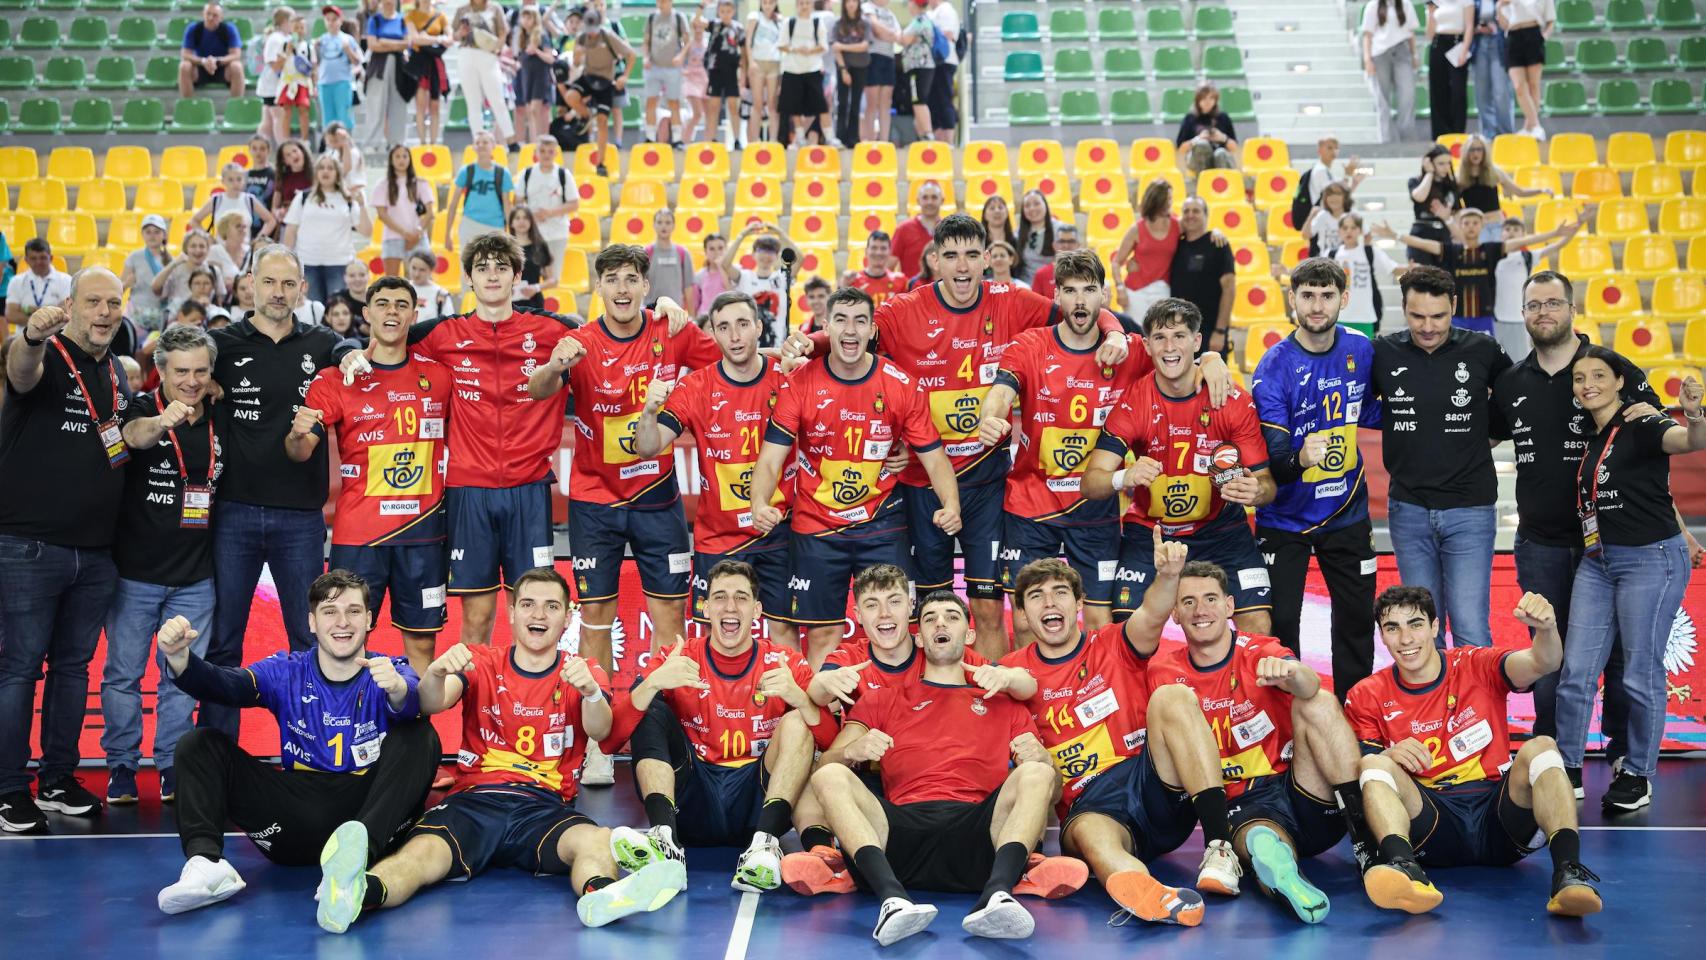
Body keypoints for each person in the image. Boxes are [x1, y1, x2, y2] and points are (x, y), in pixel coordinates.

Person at [781, 216, 1135, 660]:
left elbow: (1079, 306)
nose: (962, 266)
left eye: (972, 254)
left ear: (987, 259)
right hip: (920, 483)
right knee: (929, 610)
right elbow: (851, 332)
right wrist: (808, 346)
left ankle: (989, 705)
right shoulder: (905, 309)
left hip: (986, 486)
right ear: (934, 261)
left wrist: (1117, 330)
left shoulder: (1012, 300)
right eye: (951, 255)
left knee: (988, 608)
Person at [321, 568, 686, 932]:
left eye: (551, 606)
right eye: (527, 604)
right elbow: (433, 702)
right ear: (511, 613)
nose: (538, 615)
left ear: (567, 617)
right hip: (474, 801)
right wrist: (433, 674)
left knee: (597, 841)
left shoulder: (583, 669)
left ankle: (603, 895)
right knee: (418, 856)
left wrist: (590, 692)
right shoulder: (482, 660)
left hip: (542, 806)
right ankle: (356, 893)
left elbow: (601, 731)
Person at [337, 233, 575, 659]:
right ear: (468, 278)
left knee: (536, 617)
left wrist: (660, 311)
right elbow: (388, 336)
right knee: (478, 620)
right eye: (482, 268)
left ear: (518, 276)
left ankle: (531, 711)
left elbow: (616, 332)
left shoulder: (551, 329)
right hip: (469, 494)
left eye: (502, 267)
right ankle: (475, 723)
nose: (492, 276)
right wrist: (345, 350)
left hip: (530, 491)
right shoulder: (443, 334)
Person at [152, 571, 441, 916]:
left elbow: (410, 700)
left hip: (366, 814)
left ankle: (352, 865)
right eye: (330, 612)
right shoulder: (287, 671)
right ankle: (206, 865)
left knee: (420, 733)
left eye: (353, 611)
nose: (342, 622)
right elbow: (225, 685)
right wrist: (180, 659)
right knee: (199, 744)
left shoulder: (390, 669)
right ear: (312, 622)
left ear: (369, 619)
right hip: (295, 818)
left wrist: (396, 688)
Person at [524, 245, 706, 777]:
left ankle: (672, 733)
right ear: (597, 288)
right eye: (612, 279)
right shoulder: (578, 342)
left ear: (646, 287)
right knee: (597, 620)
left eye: (632, 279)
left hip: (657, 498)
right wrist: (554, 364)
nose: (622, 289)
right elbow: (536, 391)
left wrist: (684, 312)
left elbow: (732, 363)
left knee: (671, 618)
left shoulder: (671, 330)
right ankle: (601, 745)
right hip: (595, 504)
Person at [809, 591, 1077, 945]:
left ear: (968, 635)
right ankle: (892, 899)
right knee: (830, 774)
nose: (940, 623)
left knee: (1039, 773)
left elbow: (1054, 791)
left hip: (979, 838)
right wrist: (852, 750)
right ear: (918, 637)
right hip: (900, 837)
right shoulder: (884, 698)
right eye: (930, 618)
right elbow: (825, 768)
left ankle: (997, 894)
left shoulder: (1003, 703)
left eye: (951, 616)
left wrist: (1040, 759)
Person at [1006, 547, 1248, 925]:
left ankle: (1219, 847)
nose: (1049, 602)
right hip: (1090, 805)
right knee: (1089, 834)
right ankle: (1150, 894)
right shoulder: (1010, 673)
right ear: (1022, 612)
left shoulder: (1113, 642)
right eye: (1036, 596)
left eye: (1060, 592)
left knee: (1173, 695)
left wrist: (1168, 575)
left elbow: (1152, 613)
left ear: (1079, 603)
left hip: (1151, 783)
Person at [1489, 270, 1670, 755]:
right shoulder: (1510, 383)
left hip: (1617, 542)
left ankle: (1620, 751)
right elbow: (1479, 438)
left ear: (1572, 310)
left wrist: (1673, 526)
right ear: (1522, 314)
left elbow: (1653, 448)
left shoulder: (1614, 369)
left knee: (1619, 653)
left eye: (1553, 303)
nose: (1543, 312)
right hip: (1541, 542)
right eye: (1533, 305)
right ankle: (1552, 750)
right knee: (1550, 648)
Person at [1349, 586, 1603, 917]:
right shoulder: (1366, 694)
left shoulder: (1475, 663)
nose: (1406, 638)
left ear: (1435, 627)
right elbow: (1362, 776)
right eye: (1392, 628)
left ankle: (1569, 874)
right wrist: (1389, 755)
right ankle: (1407, 872)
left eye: (1415, 624)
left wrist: (1546, 627)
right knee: (1372, 763)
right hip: (1433, 826)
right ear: (1381, 634)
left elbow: (1544, 661)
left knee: (1542, 746)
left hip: (1500, 820)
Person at [1145, 559, 1370, 924]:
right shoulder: (1163, 672)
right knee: (1263, 843)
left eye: (1210, 599)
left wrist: (1293, 674)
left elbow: (1310, 686)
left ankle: (1366, 841)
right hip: (1242, 806)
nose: (1200, 610)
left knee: (1319, 700)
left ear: (1230, 606)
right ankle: (1285, 878)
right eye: (1188, 602)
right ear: (1174, 613)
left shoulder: (1260, 649)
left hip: (1303, 791)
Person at [753, 286, 959, 665]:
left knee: (893, 625)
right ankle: (825, 720)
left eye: (860, 321)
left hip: (881, 522)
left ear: (871, 329)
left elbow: (934, 458)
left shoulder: (900, 383)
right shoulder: (800, 384)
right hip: (816, 524)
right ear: (826, 326)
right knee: (823, 632)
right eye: (842, 321)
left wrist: (951, 505)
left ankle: (894, 715)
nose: (850, 331)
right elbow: (770, 460)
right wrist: (758, 503)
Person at [202, 246, 358, 737]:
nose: (278, 292)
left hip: (300, 518)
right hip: (233, 512)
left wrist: (352, 350)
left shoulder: (322, 342)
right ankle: (214, 755)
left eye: (288, 284)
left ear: (302, 289)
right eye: (269, 282)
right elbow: (178, 373)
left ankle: (313, 747)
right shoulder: (219, 345)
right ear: (250, 283)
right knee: (223, 643)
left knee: (308, 641)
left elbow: (346, 350)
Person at [601, 560, 818, 892]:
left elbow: (828, 737)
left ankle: (764, 844)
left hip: (755, 804)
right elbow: (610, 742)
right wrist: (652, 682)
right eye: (719, 597)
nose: (730, 607)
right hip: (693, 802)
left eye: (741, 597)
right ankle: (664, 840)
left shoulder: (785, 663)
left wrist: (800, 699)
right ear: (704, 606)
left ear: (757, 609)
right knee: (650, 704)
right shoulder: (679, 656)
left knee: (799, 721)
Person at [0, 271, 127, 834]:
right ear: (70, 305)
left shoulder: (116, 371)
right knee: (20, 669)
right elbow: (19, 374)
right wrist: (29, 337)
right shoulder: (45, 354)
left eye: (113, 303)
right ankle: (7, 788)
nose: (104, 311)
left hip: (96, 553)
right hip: (29, 546)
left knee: (72, 670)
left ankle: (56, 778)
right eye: (93, 301)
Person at [1555, 351, 1704, 812]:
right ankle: (1568, 768)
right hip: (1598, 562)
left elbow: (1688, 442)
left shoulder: (1642, 421)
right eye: (1580, 378)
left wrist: (1695, 414)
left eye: (1599, 376)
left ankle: (1638, 774)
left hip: (1650, 561)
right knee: (1575, 673)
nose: (1587, 385)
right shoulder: (1594, 436)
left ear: (1621, 381)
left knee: (1640, 673)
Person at [978, 251, 1151, 639]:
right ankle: (1033, 698)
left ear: (1103, 296)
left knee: (1098, 623)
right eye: (1070, 291)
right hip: (1030, 502)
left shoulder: (1129, 350)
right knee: (1026, 618)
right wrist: (992, 418)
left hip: (1095, 506)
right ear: (1056, 295)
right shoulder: (1030, 345)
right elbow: (1002, 391)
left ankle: (1093, 693)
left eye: (1089, 290)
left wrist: (1211, 360)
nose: (1079, 301)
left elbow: (1179, 359)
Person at [288, 278, 449, 677]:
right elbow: (300, 451)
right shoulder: (334, 377)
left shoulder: (442, 376)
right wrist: (295, 433)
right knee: (346, 641)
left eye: (401, 304)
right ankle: (353, 732)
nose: (391, 311)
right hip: (360, 537)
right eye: (382, 304)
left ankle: (416, 736)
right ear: (367, 314)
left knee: (422, 643)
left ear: (415, 315)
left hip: (423, 535)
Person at [1082, 297, 1273, 634]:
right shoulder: (1133, 402)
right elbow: (1091, 482)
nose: (1170, 347)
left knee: (1258, 624)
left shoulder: (1230, 398)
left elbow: (1267, 483)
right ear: (1147, 345)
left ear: (1197, 342)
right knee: (1127, 629)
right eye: (1160, 338)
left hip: (1222, 531)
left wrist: (1257, 492)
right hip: (1152, 534)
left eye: (1180, 336)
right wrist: (1124, 476)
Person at [633, 292, 798, 649]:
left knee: (784, 631)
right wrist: (648, 412)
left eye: (742, 325)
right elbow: (647, 447)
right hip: (719, 538)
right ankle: (716, 706)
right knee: (717, 634)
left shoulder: (788, 379)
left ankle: (788, 706)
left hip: (779, 532)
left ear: (758, 328)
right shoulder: (695, 387)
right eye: (724, 327)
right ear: (714, 334)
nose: (735, 336)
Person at [103, 326, 224, 807]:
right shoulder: (140, 405)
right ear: (160, 371)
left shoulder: (219, 412)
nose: (191, 381)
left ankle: (173, 764)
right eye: (181, 372)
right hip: (136, 573)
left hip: (196, 577)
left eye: (200, 371)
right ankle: (121, 766)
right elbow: (131, 437)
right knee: (122, 675)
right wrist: (162, 422)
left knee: (182, 674)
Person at [1252, 259, 1382, 697]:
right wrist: (1301, 460)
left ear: (1343, 299)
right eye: (1307, 295)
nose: (1317, 305)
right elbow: (1275, 464)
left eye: (1327, 295)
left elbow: (1377, 407)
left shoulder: (1361, 349)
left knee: (1357, 619)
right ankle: (1288, 728)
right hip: (1284, 519)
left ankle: (1358, 718)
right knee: (1282, 624)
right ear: (1293, 299)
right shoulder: (1274, 367)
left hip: (1346, 509)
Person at [1369, 265, 1511, 650]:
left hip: (1470, 508)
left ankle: (1478, 710)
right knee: (1420, 627)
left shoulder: (1483, 348)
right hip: (1408, 509)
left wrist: (1490, 435)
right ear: (1403, 308)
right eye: (1417, 316)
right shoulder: (1383, 351)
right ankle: (1434, 710)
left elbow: (1519, 398)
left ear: (1453, 305)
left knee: (1469, 628)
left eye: (1438, 316)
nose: (1428, 326)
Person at [1375, 208, 1574, 336]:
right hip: (1457, 316)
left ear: (1482, 226)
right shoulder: (1452, 251)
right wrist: (1395, 235)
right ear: (1459, 226)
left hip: (1484, 317)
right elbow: (1425, 244)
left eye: (1475, 223)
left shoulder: (1491, 250)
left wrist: (1554, 234)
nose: (1470, 227)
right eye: (1466, 223)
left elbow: (1522, 242)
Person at [283, 154, 373, 306]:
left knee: (337, 312)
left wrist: (363, 205)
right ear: (316, 172)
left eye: (330, 168)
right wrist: (286, 261)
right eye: (322, 168)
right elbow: (291, 230)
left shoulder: (347, 200)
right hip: (307, 263)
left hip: (340, 263)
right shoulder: (304, 197)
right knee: (313, 314)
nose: (326, 171)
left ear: (337, 173)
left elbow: (366, 231)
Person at [1490, 215, 1579, 360]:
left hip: (1517, 320)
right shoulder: (1491, 256)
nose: (1511, 232)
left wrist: (1577, 226)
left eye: (1516, 229)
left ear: (1523, 235)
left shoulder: (1528, 257)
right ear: (1501, 233)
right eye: (1507, 229)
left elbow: (1557, 246)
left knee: (1517, 362)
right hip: (1494, 319)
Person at [566, 9, 638, 177]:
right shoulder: (582, 38)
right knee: (571, 97)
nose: (591, 34)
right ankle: (585, 115)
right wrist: (577, 55)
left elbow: (631, 54)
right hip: (588, 77)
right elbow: (576, 64)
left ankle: (600, 162)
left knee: (603, 121)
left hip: (606, 81)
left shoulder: (608, 36)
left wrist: (625, 76)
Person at [1454, 135, 1553, 241]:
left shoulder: (1495, 171)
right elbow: (1455, 207)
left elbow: (1519, 191)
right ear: (1466, 153)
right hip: (1477, 226)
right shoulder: (1459, 177)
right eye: (1472, 150)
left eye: (1479, 149)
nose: (1475, 153)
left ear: (1484, 152)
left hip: (1497, 224)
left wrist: (1541, 190)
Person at [1170, 198, 1236, 356]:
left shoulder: (1218, 244)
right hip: (1180, 330)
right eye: (1186, 211)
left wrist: (1220, 331)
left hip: (1210, 331)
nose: (1190, 215)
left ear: (1206, 215)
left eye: (1196, 211)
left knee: (1210, 379)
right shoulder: (1177, 245)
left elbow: (1229, 289)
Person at [717, 221, 798, 347]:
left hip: (778, 346)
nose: (766, 255)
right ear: (753, 254)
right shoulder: (744, 277)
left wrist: (780, 233)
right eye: (761, 250)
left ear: (777, 256)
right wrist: (743, 235)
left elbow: (801, 258)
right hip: (749, 346)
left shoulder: (782, 277)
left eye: (771, 251)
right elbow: (725, 264)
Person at [452, 0, 518, 145]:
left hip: (488, 55)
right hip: (466, 54)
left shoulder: (495, 8)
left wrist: (497, 49)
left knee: (497, 100)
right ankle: (479, 140)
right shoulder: (462, 10)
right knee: (473, 101)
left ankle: (511, 140)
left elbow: (503, 31)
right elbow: (454, 36)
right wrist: (460, 33)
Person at [1114, 181, 1181, 321]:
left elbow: (1198, 234)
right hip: (1135, 292)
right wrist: (1120, 289)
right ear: (1155, 199)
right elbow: (1116, 263)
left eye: (1170, 198)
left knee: (1160, 335)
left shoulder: (1178, 226)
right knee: (1135, 336)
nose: (1169, 203)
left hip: (1164, 290)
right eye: (1166, 198)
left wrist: (1216, 233)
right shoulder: (1137, 229)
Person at [1329, 213, 1404, 337]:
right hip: (1339, 316)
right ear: (1339, 231)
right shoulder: (1332, 254)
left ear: (1360, 230)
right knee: (1341, 353)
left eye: (1353, 228)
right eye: (1345, 228)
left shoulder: (1369, 251)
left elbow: (1394, 268)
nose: (1349, 231)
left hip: (1365, 316)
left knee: (1364, 353)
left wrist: (1413, 267)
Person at [368, 148, 434, 279]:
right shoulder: (382, 185)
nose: (401, 160)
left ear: (410, 159)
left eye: (405, 156)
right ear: (391, 161)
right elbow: (382, 214)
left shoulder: (420, 183)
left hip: (418, 238)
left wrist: (417, 233)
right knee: (392, 282)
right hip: (392, 238)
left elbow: (430, 213)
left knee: (422, 282)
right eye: (397, 157)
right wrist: (405, 233)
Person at [518, 136, 580, 274]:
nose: (546, 155)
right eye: (542, 151)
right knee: (530, 277)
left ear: (556, 153)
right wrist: (530, 216)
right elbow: (517, 201)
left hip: (557, 233)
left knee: (553, 277)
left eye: (550, 151)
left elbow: (574, 204)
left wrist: (549, 213)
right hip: (531, 234)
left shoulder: (563, 174)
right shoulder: (526, 174)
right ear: (536, 153)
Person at [445, 132, 516, 251]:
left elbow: (507, 206)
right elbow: (453, 204)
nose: (481, 145)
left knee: (493, 268)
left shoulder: (503, 173)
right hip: (470, 225)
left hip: (496, 227)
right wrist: (447, 234)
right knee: (469, 268)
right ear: (473, 147)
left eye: (485, 142)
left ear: (493, 145)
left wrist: (512, 235)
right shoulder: (466, 171)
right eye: (477, 143)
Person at [358, 0, 413, 152]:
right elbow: (372, 44)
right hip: (379, 66)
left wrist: (385, 42)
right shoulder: (374, 20)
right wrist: (396, 44)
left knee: (398, 104)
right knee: (375, 104)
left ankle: (396, 142)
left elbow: (407, 43)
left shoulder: (402, 19)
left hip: (399, 67)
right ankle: (372, 143)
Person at [1362, 0, 1418, 143]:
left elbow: (1411, 33)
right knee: (1382, 102)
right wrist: (1367, 59)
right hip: (1379, 54)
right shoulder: (1373, 6)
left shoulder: (1406, 4)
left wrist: (1414, 55)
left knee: (1407, 98)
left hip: (1402, 52)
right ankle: (1386, 143)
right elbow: (1367, 35)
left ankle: (1407, 142)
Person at [776, 0, 832, 145]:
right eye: (801, 3)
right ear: (796, 5)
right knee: (794, 106)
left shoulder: (817, 22)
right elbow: (781, 45)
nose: (804, 6)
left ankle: (830, 137)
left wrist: (810, 51)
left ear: (811, 5)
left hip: (813, 68)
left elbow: (824, 46)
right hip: (792, 69)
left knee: (821, 105)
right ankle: (800, 137)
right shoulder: (789, 22)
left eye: (807, 3)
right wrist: (796, 49)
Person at [641, 0, 691, 145]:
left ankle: (677, 138)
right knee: (651, 101)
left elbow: (688, 41)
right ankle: (650, 137)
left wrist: (681, 56)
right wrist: (645, 58)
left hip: (672, 68)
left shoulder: (678, 17)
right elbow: (646, 42)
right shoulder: (651, 18)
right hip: (654, 66)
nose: (660, 3)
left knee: (674, 102)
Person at [1502, 0, 1553, 139]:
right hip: (1513, 37)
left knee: (1533, 85)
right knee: (1519, 87)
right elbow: (1503, 24)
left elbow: (1551, 20)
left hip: (1533, 35)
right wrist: (1499, 5)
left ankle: (1529, 127)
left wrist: (1544, 37)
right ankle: (1536, 125)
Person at [405, 0, 453, 145]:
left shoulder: (441, 16)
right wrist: (439, 39)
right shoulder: (411, 15)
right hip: (419, 62)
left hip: (435, 62)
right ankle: (422, 142)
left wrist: (428, 39)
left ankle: (433, 142)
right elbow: (415, 39)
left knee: (435, 105)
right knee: (420, 104)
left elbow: (450, 39)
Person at [4, 239, 72, 341]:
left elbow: (67, 311)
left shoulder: (66, 280)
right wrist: (52, 310)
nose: (38, 262)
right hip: (24, 341)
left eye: (43, 258)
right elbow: (11, 315)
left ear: (51, 258)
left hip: (58, 341)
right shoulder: (16, 281)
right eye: (33, 258)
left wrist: (26, 309)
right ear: (26, 260)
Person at [178, 3, 246, 99]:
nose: (210, 18)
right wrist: (203, 61)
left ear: (221, 17)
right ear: (203, 14)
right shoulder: (193, 29)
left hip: (222, 68)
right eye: (208, 14)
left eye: (215, 15)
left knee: (237, 66)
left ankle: (237, 105)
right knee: (184, 66)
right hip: (200, 67)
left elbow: (236, 54)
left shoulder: (229, 29)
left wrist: (217, 61)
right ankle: (188, 104)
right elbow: (185, 54)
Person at [700, 0, 745, 145]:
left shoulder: (738, 28)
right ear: (719, 12)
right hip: (715, 71)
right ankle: (711, 139)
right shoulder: (714, 25)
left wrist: (743, 75)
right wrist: (702, 6)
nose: (725, 14)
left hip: (732, 72)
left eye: (728, 11)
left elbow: (744, 53)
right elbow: (696, 22)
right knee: (714, 106)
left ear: (733, 12)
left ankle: (737, 139)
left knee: (733, 105)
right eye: (722, 11)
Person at [514, 5, 560, 145]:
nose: (526, 21)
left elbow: (550, 58)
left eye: (529, 17)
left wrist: (537, 51)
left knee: (536, 110)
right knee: (529, 111)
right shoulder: (523, 37)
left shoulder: (542, 35)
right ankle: (534, 141)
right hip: (526, 76)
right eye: (524, 17)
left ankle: (539, 141)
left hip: (540, 76)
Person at [1427, 0, 1473, 138]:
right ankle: (1440, 134)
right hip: (1437, 44)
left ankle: (1457, 132)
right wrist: (1430, 14)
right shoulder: (1434, 2)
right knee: (1438, 91)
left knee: (1458, 92)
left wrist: (1465, 49)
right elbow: (1429, 34)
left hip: (1457, 43)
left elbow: (1469, 25)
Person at [1471, 0, 1516, 139]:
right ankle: (1488, 135)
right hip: (1479, 43)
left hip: (1499, 42)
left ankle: (1506, 134)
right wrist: (1479, 28)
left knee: (1501, 91)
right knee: (1482, 93)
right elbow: (1465, 22)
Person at [122, 216, 174, 333]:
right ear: (143, 234)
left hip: (161, 314)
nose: (152, 236)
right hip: (137, 313)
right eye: (148, 232)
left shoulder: (171, 260)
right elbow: (120, 289)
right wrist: (127, 283)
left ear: (164, 235)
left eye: (156, 232)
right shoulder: (134, 257)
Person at [894, 0, 936, 140]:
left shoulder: (919, 20)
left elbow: (904, 39)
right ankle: (924, 134)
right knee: (919, 100)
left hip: (919, 67)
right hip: (923, 67)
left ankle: (927, 134)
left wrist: (897, 35)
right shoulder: (925, 20)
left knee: (919, 100)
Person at [317, 5, 364, 133]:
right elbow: (316, 63)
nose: (331, 22)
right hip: (324, 83)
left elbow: (357, 61)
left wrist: (348, 50)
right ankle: (330, 145)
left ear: (340, 20)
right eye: (328, 19)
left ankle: (347, 142)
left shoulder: (348, 39)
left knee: (344, 115)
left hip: (342, 82)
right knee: (327, 117)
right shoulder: (321, 40)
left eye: (334, 19)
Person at [830, 0, 870, 147]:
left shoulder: (864, 24)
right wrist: (843, 70)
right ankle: (840, 136)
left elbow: (864, 46)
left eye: (854, 1)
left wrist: (844, 46)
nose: (851, 4)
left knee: (856, 103)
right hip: (843, 67)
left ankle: (854, 138)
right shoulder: (838, 24)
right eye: (848, 2)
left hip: (861, 66)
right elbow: (835, 48)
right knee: (842, 103)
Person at [1175, 83, 1237, 174]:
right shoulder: (1190, 118)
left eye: (1211, 98)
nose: (1207, 102)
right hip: (1197, 158)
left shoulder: (1223, 117)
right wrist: (1198, 139)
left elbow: (1234, 148)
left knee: (1220, 153)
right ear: (1198, 100)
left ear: (1215, 100)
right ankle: (1203, 182)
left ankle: (1222, 184)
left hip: (1220, 157)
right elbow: (1181, 149)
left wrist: (1222, 138)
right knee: (1202, 145)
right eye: (1204, 98)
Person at [861, 0, 900, 143]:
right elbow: (875, 28)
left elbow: (898, 36)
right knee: (872, 101)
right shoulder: (867, 7)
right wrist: (889, 35)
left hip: (889, 58)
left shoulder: (890, 14)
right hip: (873, 57)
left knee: (886, 101)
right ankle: (869, 139)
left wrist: (888, 35)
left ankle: (884, 140)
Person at [506, 205, 558, 310]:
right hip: (508, 304)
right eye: (517, 218)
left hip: (534, 304)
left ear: (531, 222)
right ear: (511, 222)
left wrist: (536, 288)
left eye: (525, 218)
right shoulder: (504, 247)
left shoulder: (540, 246)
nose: (522, 221)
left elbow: (552, 280)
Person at [889, 180, 943, 278]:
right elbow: (888, 268)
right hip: (912, 291)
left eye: (934, 197)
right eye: (925, 197)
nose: (929, 202)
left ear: (942, 200)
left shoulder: (949, 230)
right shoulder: (903, 229)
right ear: (918, 200)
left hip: (942, 291)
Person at [645, 208, 696, 312]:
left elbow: (688, 288)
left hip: (676, 312)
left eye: (668, 222)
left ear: (673, 226)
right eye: (660, 222)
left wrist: (692, 315)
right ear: (654, 225)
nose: (664, 226)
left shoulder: (682, 253)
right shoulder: (646, 252)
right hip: (651, 311)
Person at [924, 0, 960, 142]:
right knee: (935, 101)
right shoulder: (933, 12)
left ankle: (949, 140)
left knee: (944, 99)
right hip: (935, 62)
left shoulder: (946, 10)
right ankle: (939, 137)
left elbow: (948, 34)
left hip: (945, 60)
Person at [842, 230, 907, 309]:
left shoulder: (900, 281)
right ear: (866, 251)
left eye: (883, 248)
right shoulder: (853, 281)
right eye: (874, 248)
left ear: (890, 252)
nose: (878, 252)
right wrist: (843, 286)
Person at [1015, 190, 1069, 281]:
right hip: (1026, 285)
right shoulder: (1018, 233)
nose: (1032, 208)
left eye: (1036, 204)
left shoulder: (1061, 230)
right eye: (1027, 205)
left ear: (1045, 205)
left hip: (1053, 283)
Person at [1027, 224, 1079, 299]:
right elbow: (1035, 305)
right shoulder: (1042, 274)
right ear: (1054, 245)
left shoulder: (1088, 272)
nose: (1066, 245)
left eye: (1071, 241)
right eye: (1061, 241)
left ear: (1078, 245)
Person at [272, 139, 314, 227]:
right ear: (285, 161)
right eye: (288, 155)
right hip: (289, 225)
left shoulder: (316, 175)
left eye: (295, 151)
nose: (293, 155)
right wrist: (279, 213)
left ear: (302, 151)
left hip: (311, 224)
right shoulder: (282, 178)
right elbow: (274, 207)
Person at [407, 250, 456, 321]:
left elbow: (449, 322)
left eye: (422, 270)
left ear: (431, 270)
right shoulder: (402, 288)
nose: (416, 274)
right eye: (413, 268)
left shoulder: (441, 294)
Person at [691, 233, 731, 312]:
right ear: (706, 251)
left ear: (726, 249)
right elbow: (695, 302)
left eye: (720, 248)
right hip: (705, 318)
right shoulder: (700, 275)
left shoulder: (734, 272)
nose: (716, 252)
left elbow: (732, 293)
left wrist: (720, 267)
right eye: (712, 249)